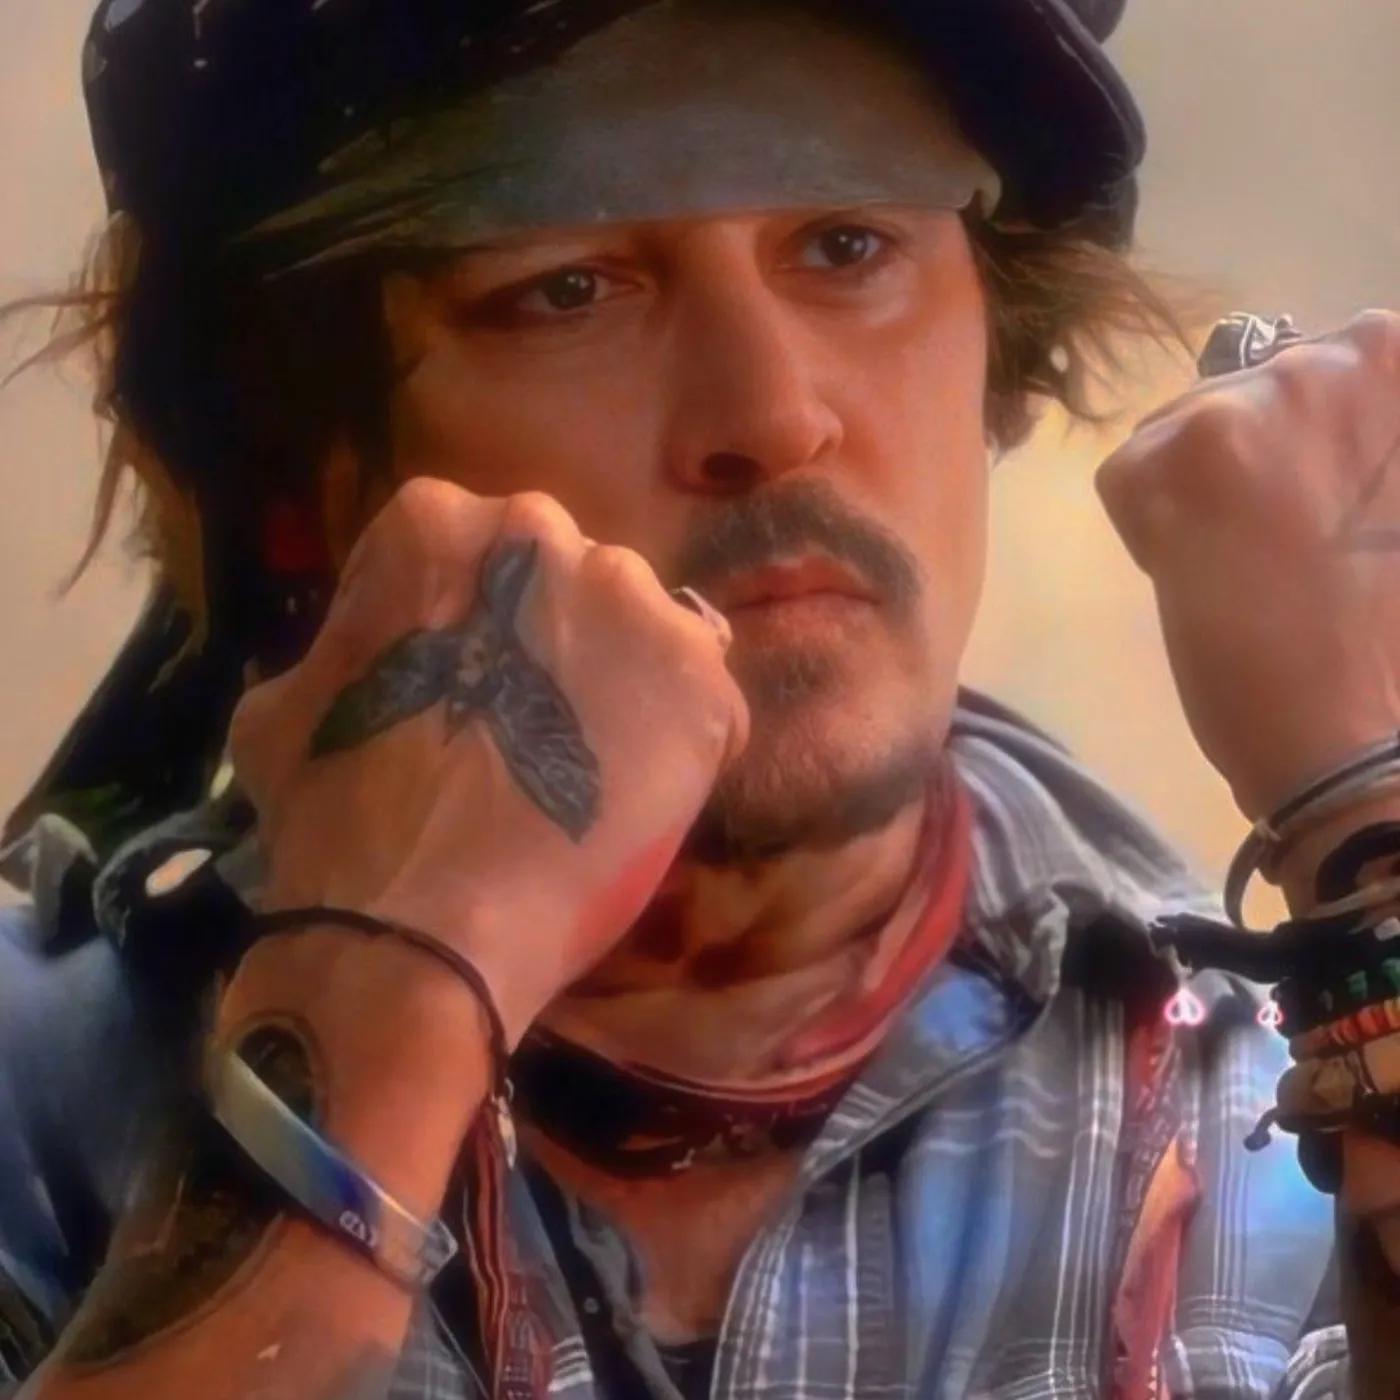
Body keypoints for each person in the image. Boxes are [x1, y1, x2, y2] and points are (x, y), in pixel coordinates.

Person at [2, 0, 1399, 1396]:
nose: (773, 417)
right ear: (294, 479)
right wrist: (386, 974)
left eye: (848, 247)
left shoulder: (1268, 1117)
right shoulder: (39, 1101)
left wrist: (1370, 841)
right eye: (568, 287)